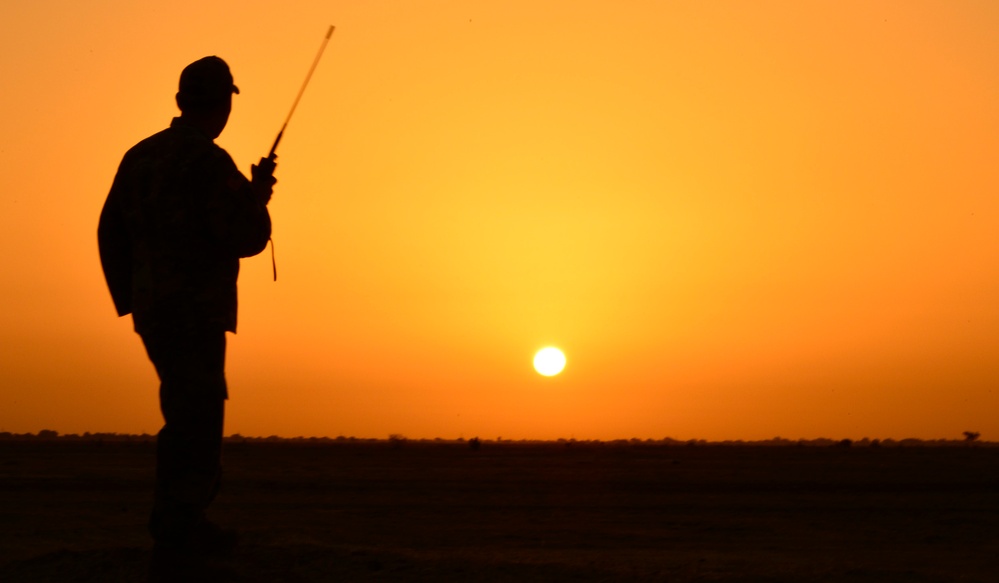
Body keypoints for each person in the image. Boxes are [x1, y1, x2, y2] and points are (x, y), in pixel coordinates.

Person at [97, 56, 275, 558]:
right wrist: (257, 201)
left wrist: (131, 299)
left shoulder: (139, 157)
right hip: (196, 312)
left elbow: (109, 230)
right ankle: (180, 529)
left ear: (180, 102)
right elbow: (246, 236)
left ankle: (179, 523)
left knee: (182, 410)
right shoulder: (209, 163)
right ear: (223, 106)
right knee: (197, 418)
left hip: (153, 312)